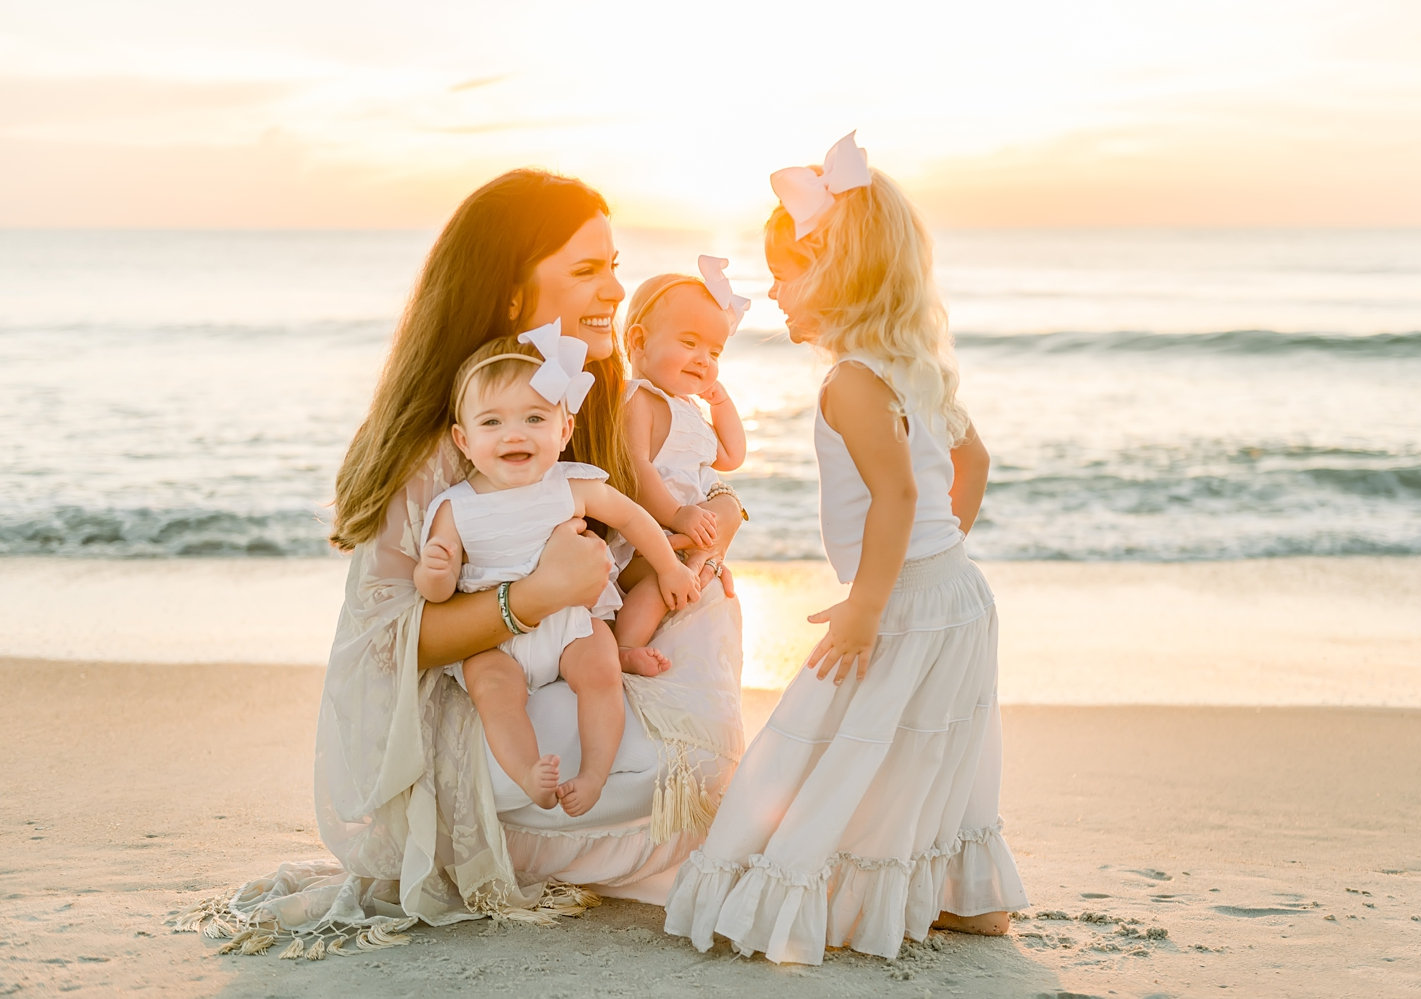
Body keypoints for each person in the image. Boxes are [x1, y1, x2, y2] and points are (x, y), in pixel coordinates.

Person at [184, 169, 747, 957]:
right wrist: (533, 595)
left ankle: (608, 827)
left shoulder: (581, 402)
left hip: (562, 664)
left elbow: (656, 511)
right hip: (475, 713)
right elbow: (387, 639)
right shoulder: (462, 433)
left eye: (615, 266)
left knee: (705, 612)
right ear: (513, 294)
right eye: (587, 269)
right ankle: (569, 830)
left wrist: (721, 511)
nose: (614, 289)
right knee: (675, 768)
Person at [663, 133, 1028, 965]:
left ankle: (815, 888)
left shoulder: (852, 381)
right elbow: (970, 463)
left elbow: (899, 494)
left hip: (900, 600)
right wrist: (940, 557)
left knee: (835, 735)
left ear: (835, 273)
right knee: (928, 746)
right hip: (954, 594)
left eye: (785, 272)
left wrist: (869, 602)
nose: (772, 292)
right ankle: (953, 896)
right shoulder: (911, 364)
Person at [415, 330, 702, 817]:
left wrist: (670, 565)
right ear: (464, 440)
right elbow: (435, 594)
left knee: (601, 673)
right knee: (493, 693)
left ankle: (593, 773)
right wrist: (436, 571)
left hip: (571, 621)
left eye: (534, 418)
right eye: (492, 422)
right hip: (494, 641)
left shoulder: (571, 484)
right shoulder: (455, 508)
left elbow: (633, 517)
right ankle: (529, 771)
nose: (515, 433)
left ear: (563, 430)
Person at [613, 255, 749, 658]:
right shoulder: (639, 398)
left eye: (715, 352)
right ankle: (625, 646)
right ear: (639, 341)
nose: (704, 360)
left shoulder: (687, 407)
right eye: (689, 344)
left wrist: (721, 403)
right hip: (646, 543)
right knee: (658, 577)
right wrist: (676, 515)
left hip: (687, 540)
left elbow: (729, 456)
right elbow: (634, 468)